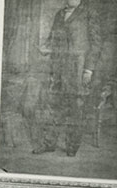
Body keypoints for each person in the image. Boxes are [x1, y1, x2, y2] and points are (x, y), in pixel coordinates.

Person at [33, 0, 102, 157]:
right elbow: (52, 38)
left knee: (75, 107)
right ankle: (49, 143)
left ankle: (72, 146)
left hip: (78, 68)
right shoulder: (59, 15)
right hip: (58, 67)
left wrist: (89, 69)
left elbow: (96, 44)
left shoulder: (89, 13)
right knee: (53, 105)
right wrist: (46, 48)